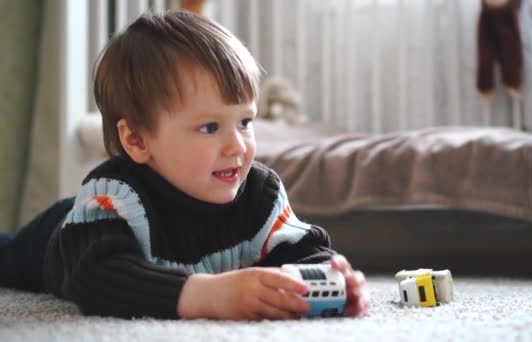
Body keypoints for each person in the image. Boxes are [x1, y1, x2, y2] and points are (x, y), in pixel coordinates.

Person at [0, 10, 368, 320]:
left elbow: (301, 246)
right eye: (210, 127)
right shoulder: (112, 196)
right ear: (138, 141)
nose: (236, 145)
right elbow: (96, 279)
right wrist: (209, 296)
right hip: (66, 233)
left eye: (245, 122)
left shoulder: (260, 192)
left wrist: (331, 272)